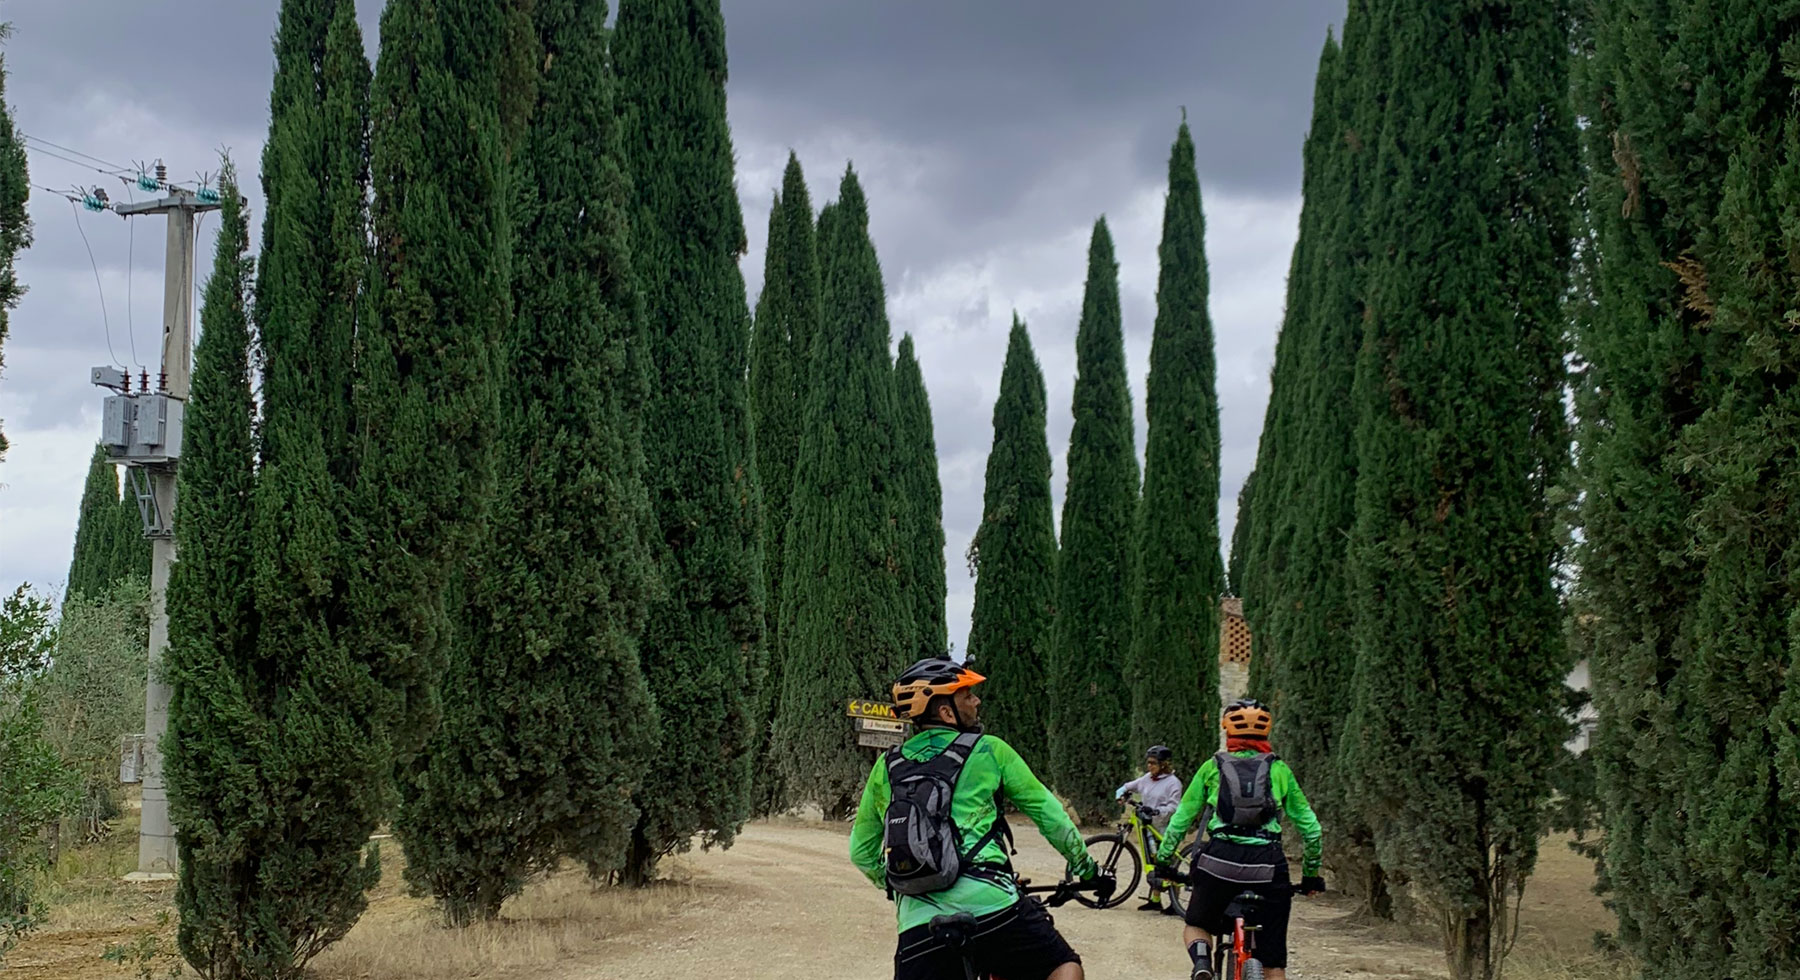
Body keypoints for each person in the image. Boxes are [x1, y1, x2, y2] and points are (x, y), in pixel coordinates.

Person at [851, 658, 1108, 980]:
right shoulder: (990, 750)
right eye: (967, 695)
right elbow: (1050, 816)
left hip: (919, 923)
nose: (976, 700)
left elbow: (860, 852)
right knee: (1065, 968)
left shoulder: (885, 767)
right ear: (946, 711)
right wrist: (1087, 870)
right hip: (992, 907)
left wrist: (902, 888)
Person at [1153, 699, 1325, 980]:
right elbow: (1312, 830)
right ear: (1267, 732)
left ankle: (1202, 964)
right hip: (1267, 866)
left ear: (1227, 731)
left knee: (1196, 923)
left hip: (1219, 861)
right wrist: (1310, 875)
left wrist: (1163, 861)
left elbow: (1181, 820)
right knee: (1273, 964)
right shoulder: (1279, 770)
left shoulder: (1212, 766)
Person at [1114, 744, 1184, 914]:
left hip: (1164, 828)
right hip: (1148, 826)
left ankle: (1175, 903)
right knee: (1152, 862)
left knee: (1166, 864)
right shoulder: (1147, 778)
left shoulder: (1173, 783)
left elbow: (1174, 808)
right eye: (1148, 762)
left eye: (1153, 763)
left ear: (1164, 765)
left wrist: (1157, 811)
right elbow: (1129, 786)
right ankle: (1155, 900)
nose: (1149, 766)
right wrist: (1121, 792)